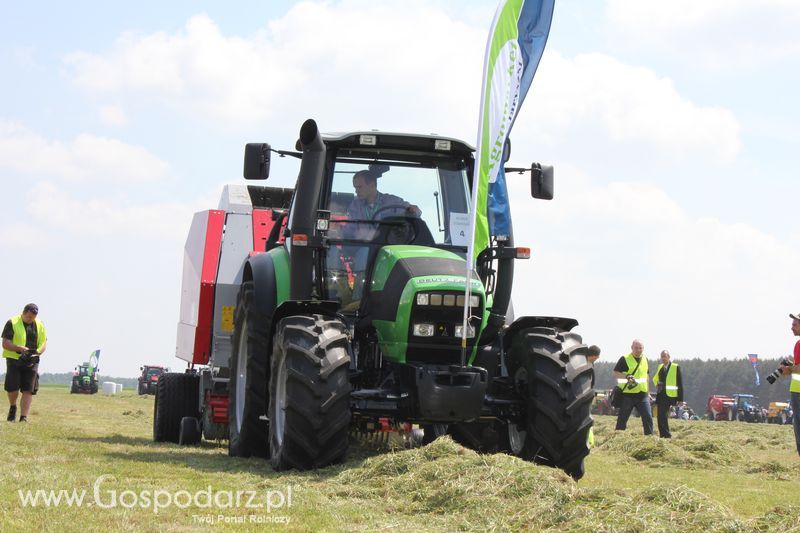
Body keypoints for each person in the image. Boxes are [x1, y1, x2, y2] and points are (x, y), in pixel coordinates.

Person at [2, 303, 47, 422]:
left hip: (32, 360)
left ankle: (23, 417)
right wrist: (20, 348)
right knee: (13, 388)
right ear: (23, 313)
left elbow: (44, 343)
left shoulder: (40, 324)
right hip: (14, 359)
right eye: (28, 317)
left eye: (32, 318)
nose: (30, 320)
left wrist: (37, 352)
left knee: (28, 389)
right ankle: (13, 407)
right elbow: (5, 343)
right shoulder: (12, 322)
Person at [612, 339, 653, 435]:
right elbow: (615, 373)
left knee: (648, 417)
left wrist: (648, 392)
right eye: (636, 348)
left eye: (641, 348)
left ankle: (650, 439)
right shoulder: (624, 358)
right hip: (628, 395)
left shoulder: (645, 359)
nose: (638, 350)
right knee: (622, 418)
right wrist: (626, 376)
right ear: (632, 348)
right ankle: (618, 438)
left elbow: (646, 376)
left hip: (642, 395)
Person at [652, 350, 683, 438]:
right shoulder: (660, 367)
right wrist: (657, 385)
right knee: (661, 416)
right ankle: (664, 434)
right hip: (661, 395)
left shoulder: (675, 367)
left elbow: (679, 383)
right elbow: (655, 379)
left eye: (664, 356)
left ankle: (666, 435)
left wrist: (680, 399)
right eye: (661, 356)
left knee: (663, 415)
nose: (663, 358)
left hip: (671, 395)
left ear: (669, 357)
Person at [782, 312, 800, 456]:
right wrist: (788, 369)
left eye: (795, 324)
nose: (791, 327)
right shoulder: (798, 344)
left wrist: (789, 369)